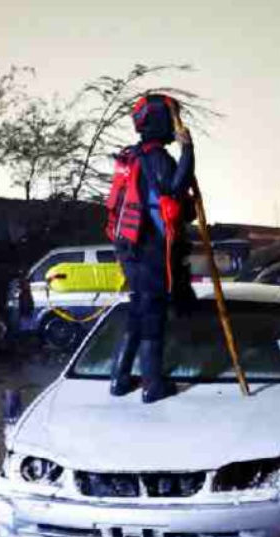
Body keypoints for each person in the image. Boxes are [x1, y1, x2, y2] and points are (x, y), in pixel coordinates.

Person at [105, 95, 196, 403]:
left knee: (138, 311)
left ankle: (119, 379)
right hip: (149, 250)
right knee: (152, 315)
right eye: (172, 118)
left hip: (129, 249)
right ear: (159, 121)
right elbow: (174, 187)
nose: (175, 124)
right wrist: (188, 150)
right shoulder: (156, 157)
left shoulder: (131, 156)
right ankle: (152, 386)